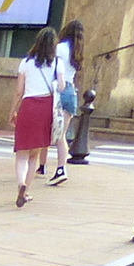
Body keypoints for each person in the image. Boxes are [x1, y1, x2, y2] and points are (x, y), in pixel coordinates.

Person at [13, 27, 61, 207]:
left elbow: (19, 91)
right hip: (46, 108)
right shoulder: (57, 63)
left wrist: (13, 111)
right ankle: (27, 190)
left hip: (28, 106)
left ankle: (21, 184)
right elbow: (62, 86)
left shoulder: (25, 63)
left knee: (21, 153)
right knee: (35, 154)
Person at [50, 19, 84, 184]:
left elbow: (52, 70)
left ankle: (40, 165)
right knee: (61, 135)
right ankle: (61, 168)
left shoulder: (60, 48)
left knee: (51, 132)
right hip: (71, 92)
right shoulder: (77, 50)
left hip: (58, 90)